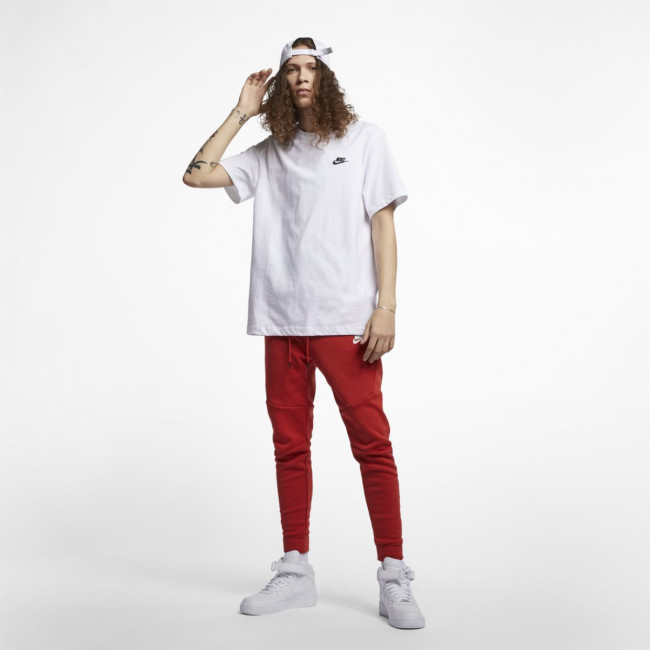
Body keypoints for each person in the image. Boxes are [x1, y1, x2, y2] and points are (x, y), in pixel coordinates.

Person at [182, 36, 424, 630]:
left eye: (311, 67)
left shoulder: (364, 140)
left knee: (372, 444)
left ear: (327, 77)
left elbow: (383, 223)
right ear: (281, 85)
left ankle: (393, 573)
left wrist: (387, 306)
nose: (300, 76)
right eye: (291, 69)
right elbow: (196, 175)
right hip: (282, 321)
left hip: (346, 322)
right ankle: (295, 570)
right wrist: (241, 111)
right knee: (290, 447)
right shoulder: (270, 152)